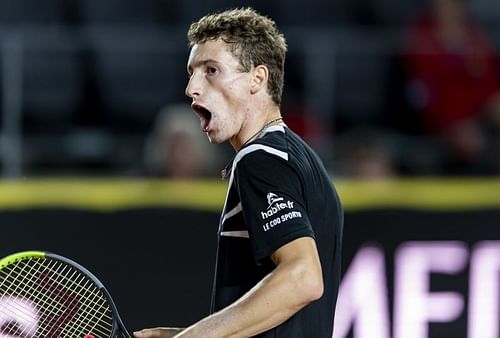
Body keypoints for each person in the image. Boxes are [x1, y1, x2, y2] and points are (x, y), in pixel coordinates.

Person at [134, 7, 343, 338]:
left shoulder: (259, 159)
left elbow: (303, 278)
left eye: (211, 70)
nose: (191, 88)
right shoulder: (300, 155)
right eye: (191, 72)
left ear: (257, 79)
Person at [402, 0, 500, 174]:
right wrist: (454, 124)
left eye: (455, 4)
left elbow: (488, 82)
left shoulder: (475, 37)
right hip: (439, 123)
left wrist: (491, 103)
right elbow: (424, 93)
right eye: (444, 4)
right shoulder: (420, 37)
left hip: (478, 119)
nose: (449, 9)